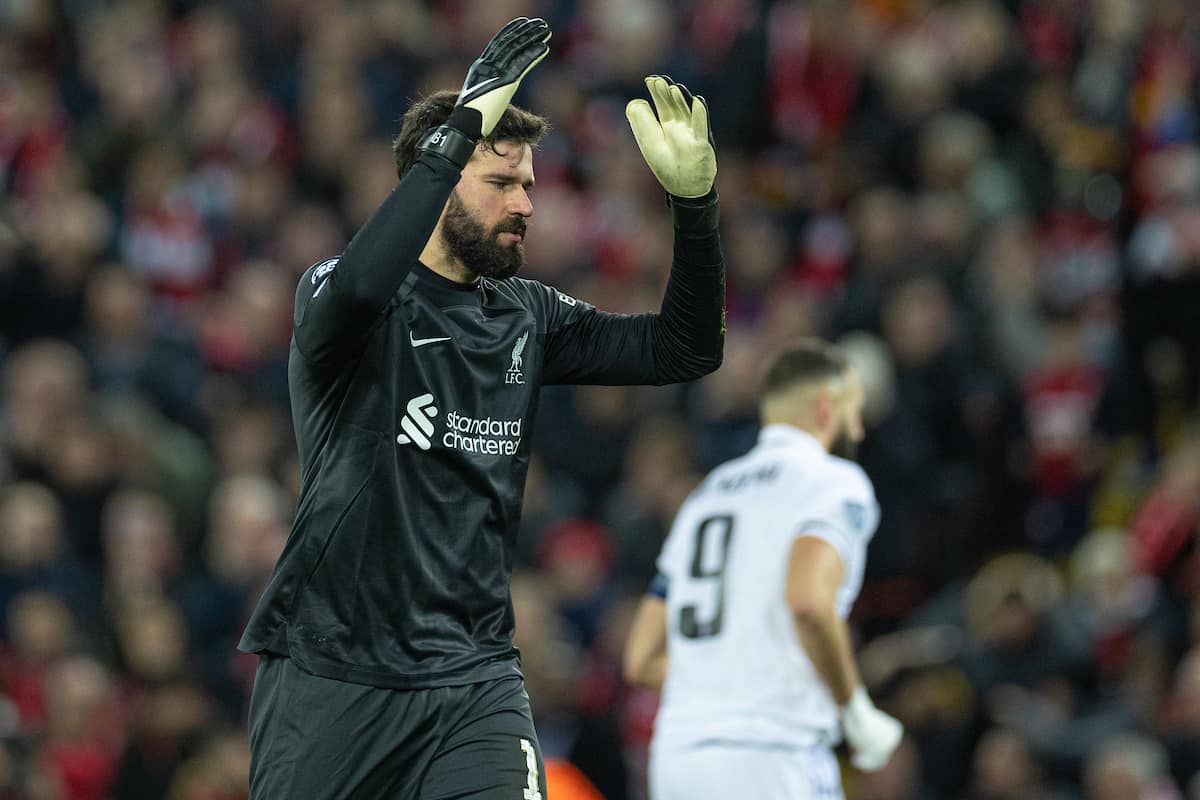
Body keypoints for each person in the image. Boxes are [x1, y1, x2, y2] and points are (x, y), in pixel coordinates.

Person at [238, 16, 726, 800]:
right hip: (334, 674)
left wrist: (695, 208)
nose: (526, 201)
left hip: (475, 679)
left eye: (529, 182)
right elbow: (361, 285)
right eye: (501, 182)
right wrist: (463, 120)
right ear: (436, 178)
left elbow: (683, 350)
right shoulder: (345, 294)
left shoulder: (526, 313)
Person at [624, 338, 902, 799]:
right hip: (771, 751)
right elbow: (809, 602)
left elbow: (640, 660)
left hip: (678, 755)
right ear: (825, 408)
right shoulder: (833, 482)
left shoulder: (706, 495)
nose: (859, 428)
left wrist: (725, 681)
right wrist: (856, 711)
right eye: (854, 411)